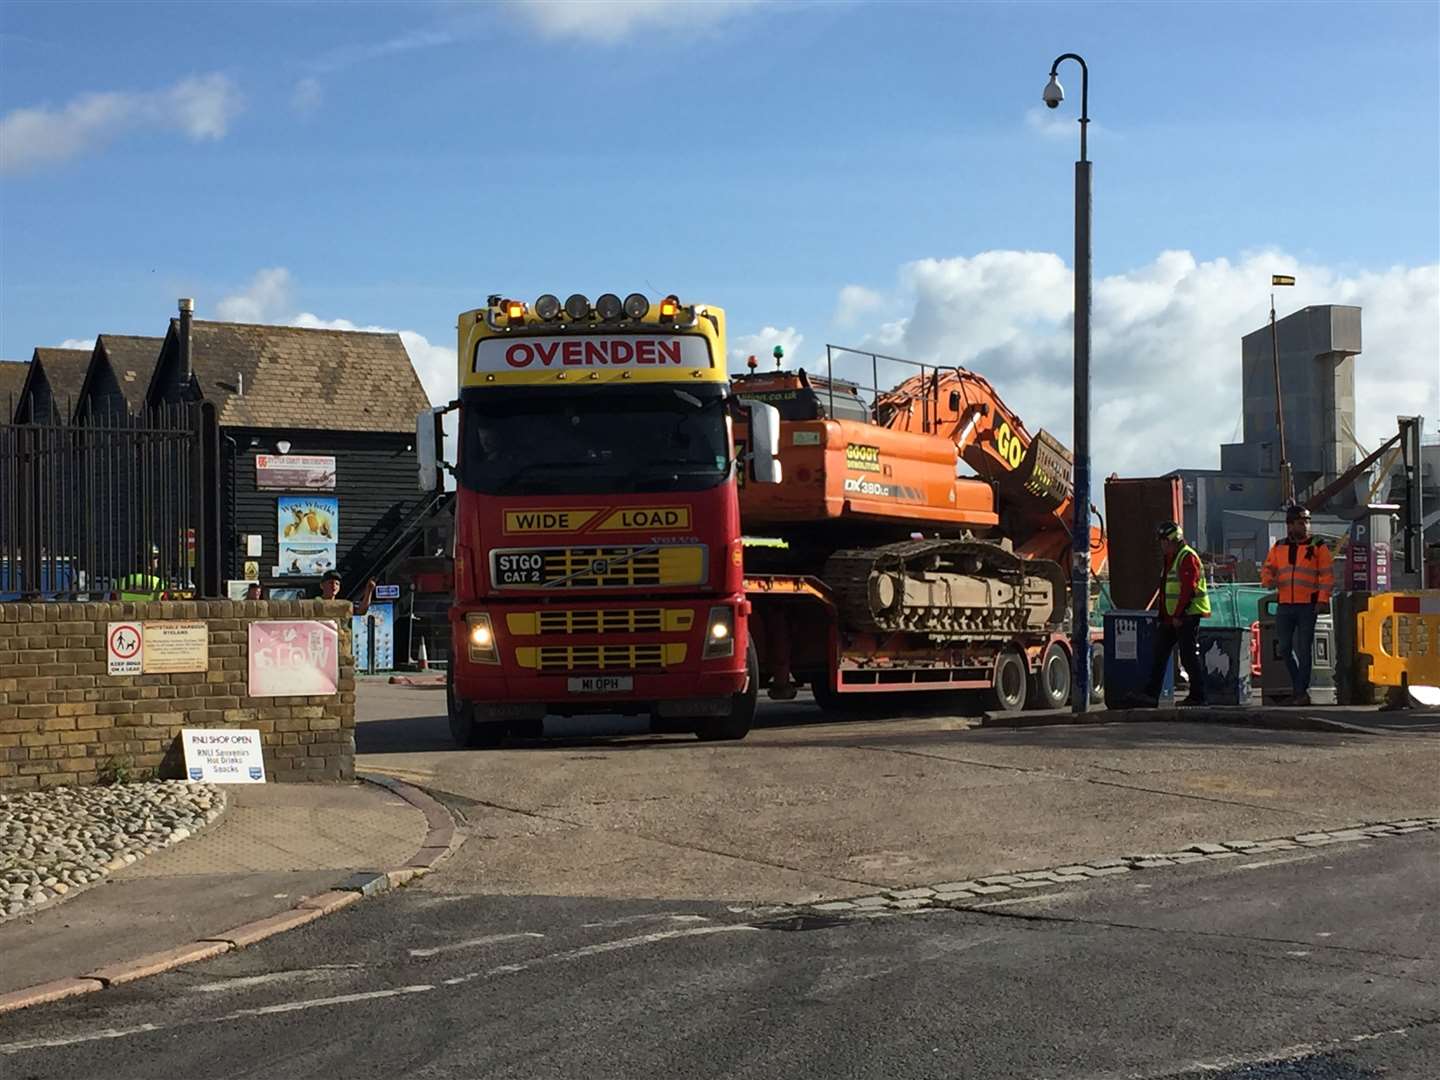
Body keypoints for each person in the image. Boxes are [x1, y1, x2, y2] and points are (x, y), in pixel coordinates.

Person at [1261, 504, 1334, 706]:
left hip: (1307, 606)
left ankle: (1300, 692)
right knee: (1284, 648)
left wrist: (1321, 600)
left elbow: (1327, 576)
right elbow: (1267, 569)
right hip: (1285, 604)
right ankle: (1299, 688)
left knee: (1304, 650)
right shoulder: (1279, 547)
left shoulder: (1318, 546)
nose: (1306, 526)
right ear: (1290, 525)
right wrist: (1269, 581)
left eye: (1307, 522)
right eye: (1301, 522)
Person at [1146, 521, 1211, 706]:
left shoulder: (1186, 557)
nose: (1162, 545)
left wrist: (1179, 616)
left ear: (1173, 540)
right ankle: (1151, 695)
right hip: (1174, 617)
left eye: (1164, 541)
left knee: (1188, 655)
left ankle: (1199, 695)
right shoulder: (1172, 557)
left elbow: (1188, 589)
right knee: (1160, 654)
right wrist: (1166, 616)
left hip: (1186, 616)